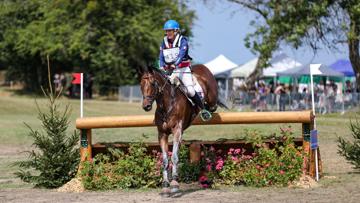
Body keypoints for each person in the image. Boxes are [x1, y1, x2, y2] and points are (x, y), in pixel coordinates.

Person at [159, 19, 212, 121]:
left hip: (183, 69)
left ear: (176, 31)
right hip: (170, 70)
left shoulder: (182, 40)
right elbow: (161, 56)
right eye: (166, 31)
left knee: (191, 91)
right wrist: (161, 66)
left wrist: (175, 65)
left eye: (170, 31)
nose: (167, 33)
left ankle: (203, 110)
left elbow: (181, 54)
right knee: (162, 88)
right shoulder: (164, 42)